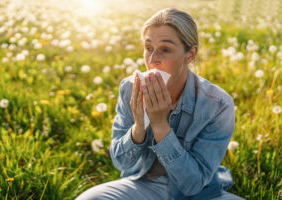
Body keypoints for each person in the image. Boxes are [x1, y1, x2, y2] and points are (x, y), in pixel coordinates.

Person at [76, 8, 244, 200]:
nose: (153, 59)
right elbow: (121, 163)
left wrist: (160, 125)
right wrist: (139, 128)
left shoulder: (218, 104)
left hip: (201, 194)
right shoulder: (131, 89)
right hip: (144, 185)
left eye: (165, 49)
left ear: (190, 55)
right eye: (148, 48)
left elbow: (193, 185)